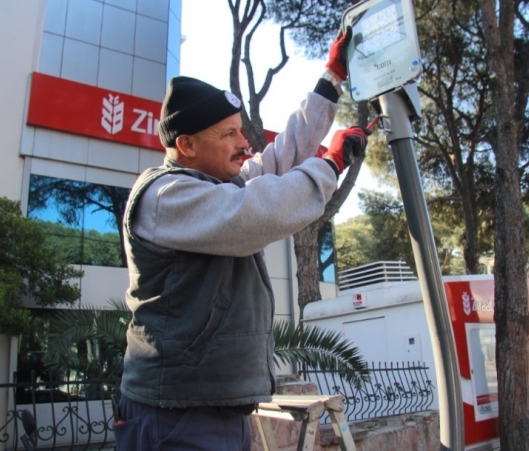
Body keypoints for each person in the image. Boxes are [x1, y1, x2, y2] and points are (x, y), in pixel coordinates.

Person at [114, 27, 368, 450]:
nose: (244, 143)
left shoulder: (214, 185)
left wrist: (331, 79)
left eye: (240, 130)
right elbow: (257, 212)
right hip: (175, 415)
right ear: (187, 144)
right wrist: (331, 163)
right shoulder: (166, 195)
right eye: (229, 134)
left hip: (209, 408)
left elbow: (281, 157)